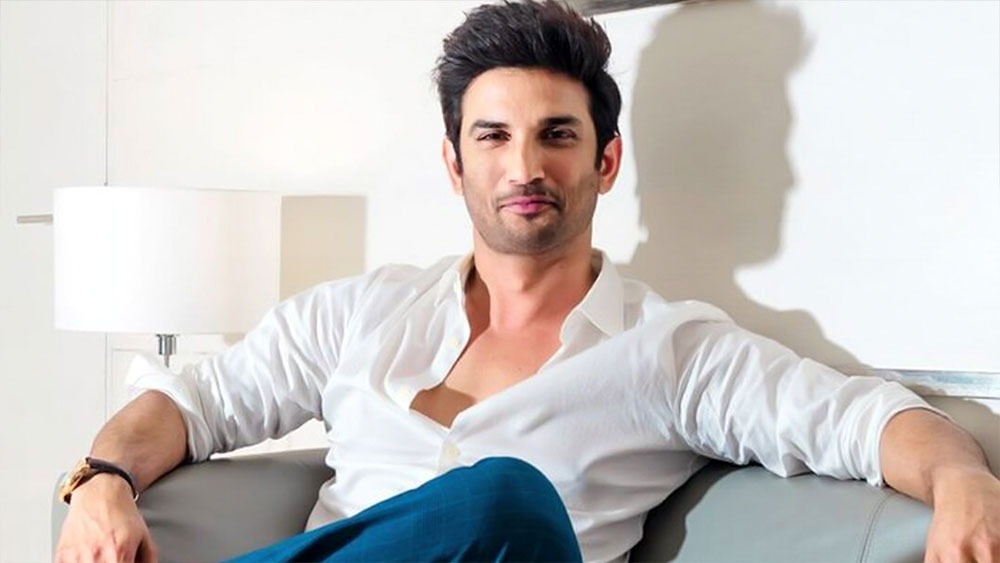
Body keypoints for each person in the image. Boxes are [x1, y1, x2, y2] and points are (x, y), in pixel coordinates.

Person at [56, 2, 1000, 562]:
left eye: (557, 134)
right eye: (494, 136)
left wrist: (961, 475)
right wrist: (102, 478)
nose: (524, 166)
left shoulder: (671, 351)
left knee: (501, 497)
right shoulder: (355, 314)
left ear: (605, 161)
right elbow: (192, 403)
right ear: (453, 162)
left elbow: (861, 419)